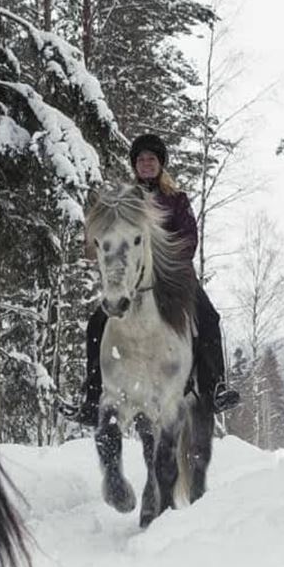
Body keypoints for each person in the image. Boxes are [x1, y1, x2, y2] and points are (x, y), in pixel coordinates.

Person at [66, 134, 241, 426]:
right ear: (135, 166)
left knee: (209, 318)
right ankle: (92, 397)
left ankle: (214, 389)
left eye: (152, 159)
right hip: (132, 278)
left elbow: (189, 238)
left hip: (175, 276)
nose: (146, 164)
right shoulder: (125, 201)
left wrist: (164, 262)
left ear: (160, 165)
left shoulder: (176, 200)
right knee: (97, 322)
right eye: (141, 160)